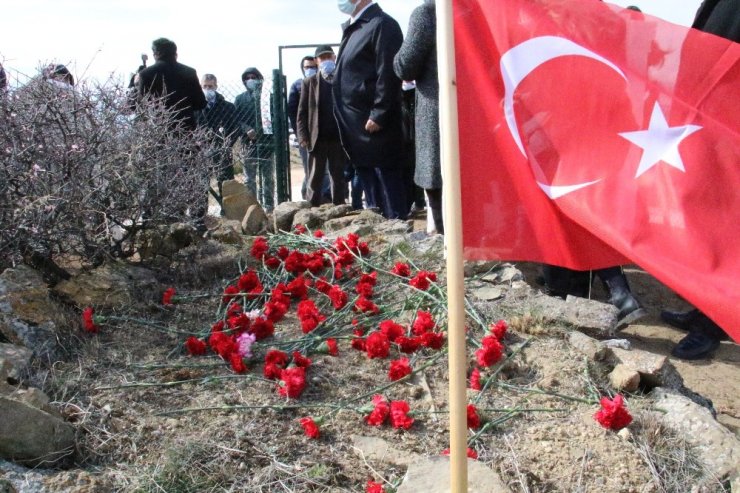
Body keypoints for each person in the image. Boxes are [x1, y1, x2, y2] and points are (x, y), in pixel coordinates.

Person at [660, 0, 739, 360]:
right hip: (709, 115)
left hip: (733, 117)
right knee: (709, 214)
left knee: (732, 224)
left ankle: (713, 324)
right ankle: (704, 307)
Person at [333, 0, 407, 220]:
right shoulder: (355, 27)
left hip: (375, 128)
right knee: (372, 198)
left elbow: (388, 74)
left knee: (387, 192)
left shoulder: (382, 25)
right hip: (356, 126)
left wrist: (379, 113)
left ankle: (398, 239)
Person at [393, 0, 443, 231]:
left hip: (439, 120)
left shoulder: (427, 13)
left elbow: (406, 66)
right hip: (479, 122)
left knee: (444, 209)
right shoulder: (477, 12)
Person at [296, 45, 347, 207]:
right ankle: (312, 208)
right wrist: (303, 136)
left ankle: (339, 208)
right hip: (317, 138)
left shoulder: (342, 79)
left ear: (334, 58)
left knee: (338, 176)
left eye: (328, 57)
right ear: (317, 61)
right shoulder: (309, 83)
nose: (326, 61)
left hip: (338, 137)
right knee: (315, 176)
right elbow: (301, 112)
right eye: (322, 58)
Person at [135, 38, 206, 132]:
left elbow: (142, 107)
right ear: (175, 53)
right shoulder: (190, 72)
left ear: (156, 54)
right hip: (186, 129)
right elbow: (200, 103)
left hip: (158, 130)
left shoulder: (146, 74)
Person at [196, 74, 240, 213]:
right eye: (204, 86)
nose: (207, 89)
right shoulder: (194, 106)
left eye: (210, 86)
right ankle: (201, 214)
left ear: (216, 86)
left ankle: (227, 212)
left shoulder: (227, 107)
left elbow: (235, 128)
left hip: (223, 150)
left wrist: (227, 144)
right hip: (201, 151)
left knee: (225, 183)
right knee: (201, 184)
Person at [234, 67, 275, 212]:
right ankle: (252, 207)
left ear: (260, 79)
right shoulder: (240, 99)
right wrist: (247, 130)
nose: (250, 80)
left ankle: (269, 206)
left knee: (267, 177)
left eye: (254, 77)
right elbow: (236, 119)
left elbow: (275, 118)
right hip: (248, 143)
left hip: (267, 143)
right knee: (249, 179)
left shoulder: (267, 98)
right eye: (247, 78)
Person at [288, 56, 318, 199]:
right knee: (309, 168)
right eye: (307, 67)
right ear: (302, 69)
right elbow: (293, 113)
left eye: (313, 66)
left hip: (322, 135)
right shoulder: (297, 85)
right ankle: (307, 197)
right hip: (305, 136)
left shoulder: (324, 83)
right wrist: (300, 134)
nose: (310, 69)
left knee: (323, 170)